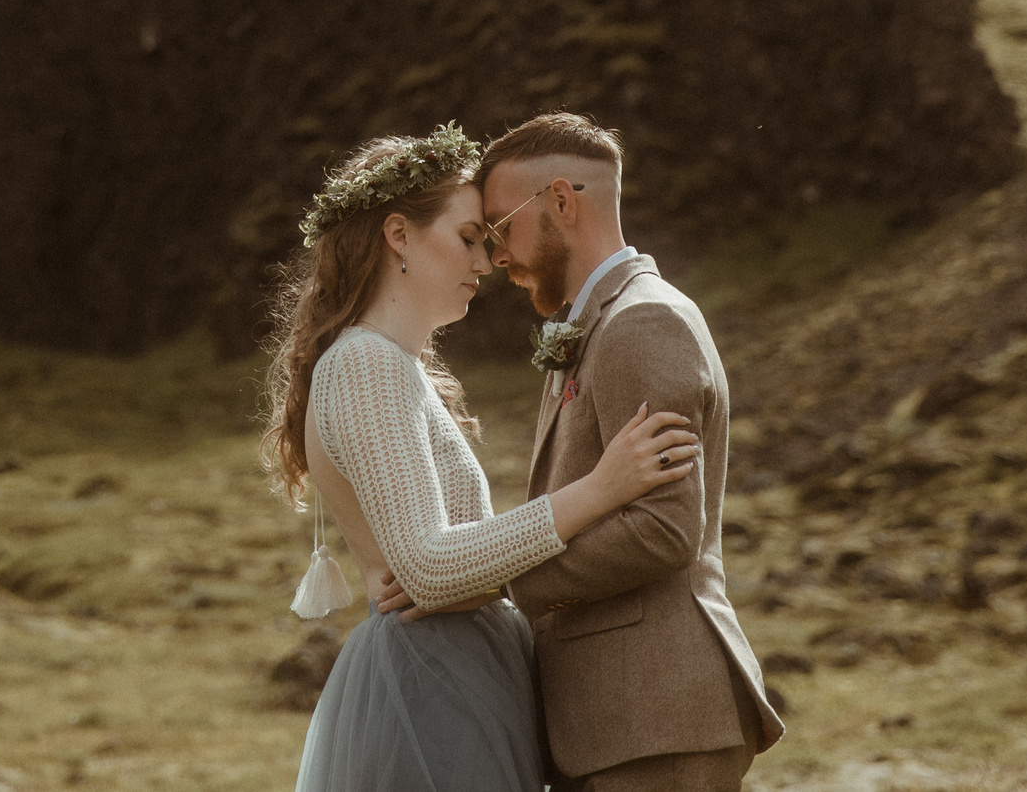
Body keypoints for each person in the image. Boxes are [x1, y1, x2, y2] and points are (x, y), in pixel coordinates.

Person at [262, 123, 699, 792]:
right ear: (399, 234)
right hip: (430, 681)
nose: (489, 260)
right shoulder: (366, 363)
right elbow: (429, 567)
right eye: (469, 237)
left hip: (460, 671)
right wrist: (601, 487)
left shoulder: (396, 365)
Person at [462, 111, 782, 791]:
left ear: (560, 201)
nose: (496, 255)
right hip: (619, 723)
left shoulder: (641, 320)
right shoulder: (598, 321)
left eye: (500, 227)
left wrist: (508, 576)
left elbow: (666, 530)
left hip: (656, 718)